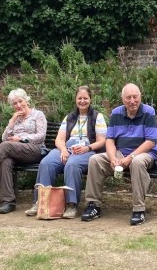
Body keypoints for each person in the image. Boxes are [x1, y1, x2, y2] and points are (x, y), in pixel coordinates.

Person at [81, 83, 157, 226]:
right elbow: (110, 139)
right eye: (128, 98)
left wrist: (130, 157)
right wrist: (112, 158)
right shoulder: (117, 113)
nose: (132, 101)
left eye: (135, 97)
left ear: (140, 97)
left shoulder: (149, 112)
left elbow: (151, 142)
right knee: (95, 160)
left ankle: (139, 209)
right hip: (120, 153)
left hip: (145, 153)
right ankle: (93, 205)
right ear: (122, 99)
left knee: (136, 162)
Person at [25, 86, 107, 219]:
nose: (82, 101)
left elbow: (102, 141)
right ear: (75, 99)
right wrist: (63, 150)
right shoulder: (69, 117)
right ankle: (40, 202)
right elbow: (60, 139)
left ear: (90, 99)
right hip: (67, 148)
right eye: (79, 98)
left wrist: (87, 148)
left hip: (88, 150)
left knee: (72, 164)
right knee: (47, 162)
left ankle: (71, 204)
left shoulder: (97, 117)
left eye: (85, 98)